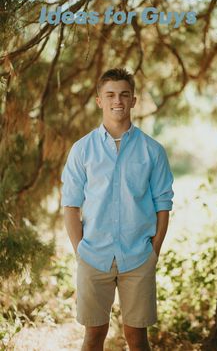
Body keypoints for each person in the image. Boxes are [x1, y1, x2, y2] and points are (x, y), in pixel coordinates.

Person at [61, 68, 174, 351]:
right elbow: (71, 205)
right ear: (100, 101)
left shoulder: (153, 150)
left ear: (134, 100)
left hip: (138, 257)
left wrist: (154, 251)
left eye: (124, 94)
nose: (118, 101)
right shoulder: (82, 150)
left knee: (137, 338)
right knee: (93, 336)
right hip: (93, 256)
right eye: (110, 94)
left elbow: (163, 205)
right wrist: (80, 251)